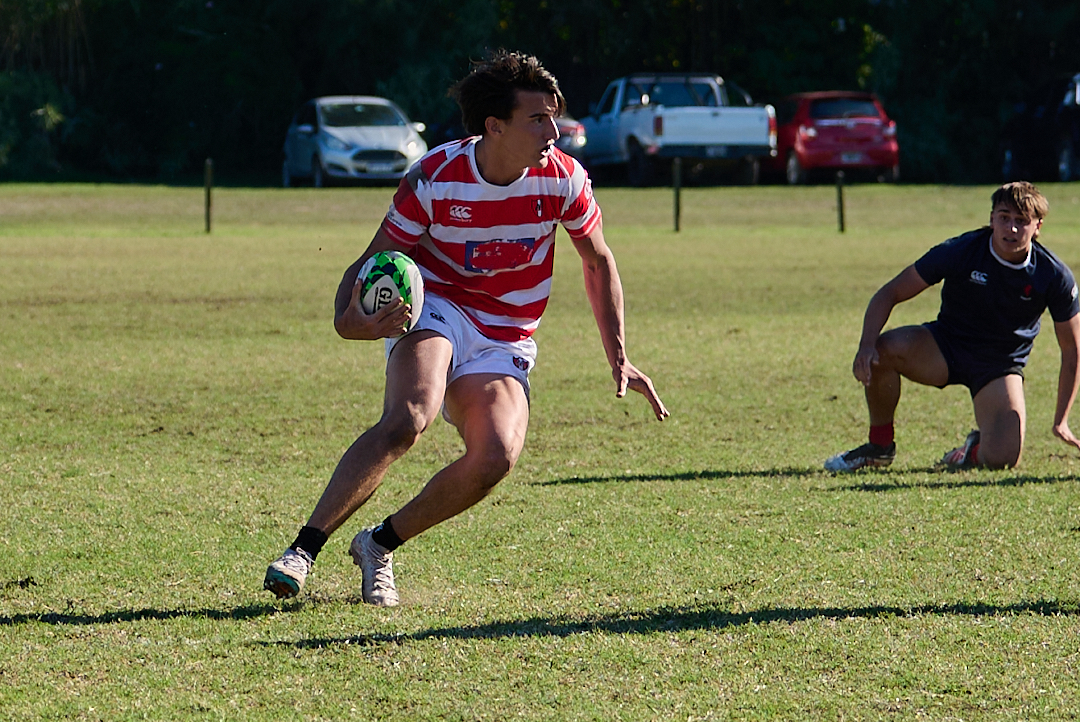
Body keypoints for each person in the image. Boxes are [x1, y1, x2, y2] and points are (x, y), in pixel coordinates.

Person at [263, 50, 668, 606]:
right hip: (437, 305)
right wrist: (348, 322)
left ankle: (377, 544)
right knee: (408, 419)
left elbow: (597, 261)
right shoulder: (435, 176)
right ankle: (303, 550)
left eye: (554, 116)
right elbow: (369, 262)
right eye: (538, 119)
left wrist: (619, 354)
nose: (555, 130)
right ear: (493, 126)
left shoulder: (565, 178)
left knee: (496, 455)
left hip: (507, 330)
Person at [825, 181, 1080, 472]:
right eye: (1004, 217)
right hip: (945, 348)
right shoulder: (961, 250)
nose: (1011, 229)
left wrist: (1061, 420)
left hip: (999, 366)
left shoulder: (1053, 275)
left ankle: (970, 452)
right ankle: (879, 447)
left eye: (1021, 221)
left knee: (1003, 458)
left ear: (1037, 226)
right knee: (883, 351)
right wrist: (866, 345)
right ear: (991, 218)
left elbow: (1072, 348)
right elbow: (890, 292)